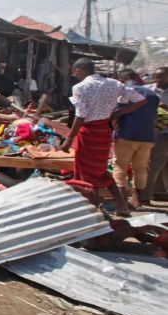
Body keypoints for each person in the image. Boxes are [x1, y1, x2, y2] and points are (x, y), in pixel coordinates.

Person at [60, 58, 145, 216]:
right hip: (104, 131)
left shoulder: (80, 87)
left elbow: (81, 115)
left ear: (79, 70)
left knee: (85, 170)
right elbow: (140, 100)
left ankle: (90, 207)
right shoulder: (114, 84)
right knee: (99, 169)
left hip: (89, 133)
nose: (75, 75)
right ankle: (120, 204)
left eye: (75, 72)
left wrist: (69, 139)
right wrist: (117, 113)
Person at [111, 71, 160, 207]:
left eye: (120, 80)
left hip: (126, 135)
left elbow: (117, 113)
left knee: (120, 165)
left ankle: (121, 200)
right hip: (147, 137)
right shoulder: (152, 95)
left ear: (125, 79)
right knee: (141, 168)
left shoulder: (125, 92)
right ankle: (138, 198)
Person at [143, 66, 168, 203]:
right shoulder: (148, 90)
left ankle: (156, 192)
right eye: (157, 77)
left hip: (165, 133)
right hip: (151, 132)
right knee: (154, 164)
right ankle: (147, 194)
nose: (159, 80)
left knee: (160, 164)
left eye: (162, 77)